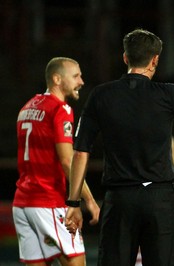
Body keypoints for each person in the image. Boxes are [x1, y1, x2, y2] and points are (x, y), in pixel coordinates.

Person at [64, 28, 174, 266]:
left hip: (120, 200)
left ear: (125, 58)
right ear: (155, 60)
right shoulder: (168, 93)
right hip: (159, 201)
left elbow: (80, 153)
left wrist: (73, 203)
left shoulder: (101, 96)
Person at [13, 57, 100, 265]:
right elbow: (68, 160)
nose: (81, 82)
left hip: (23, 204)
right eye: (76, 76)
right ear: (57, 79)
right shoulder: (61, 109)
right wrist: (85, 200)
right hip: (48, 202)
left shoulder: (27, 107)